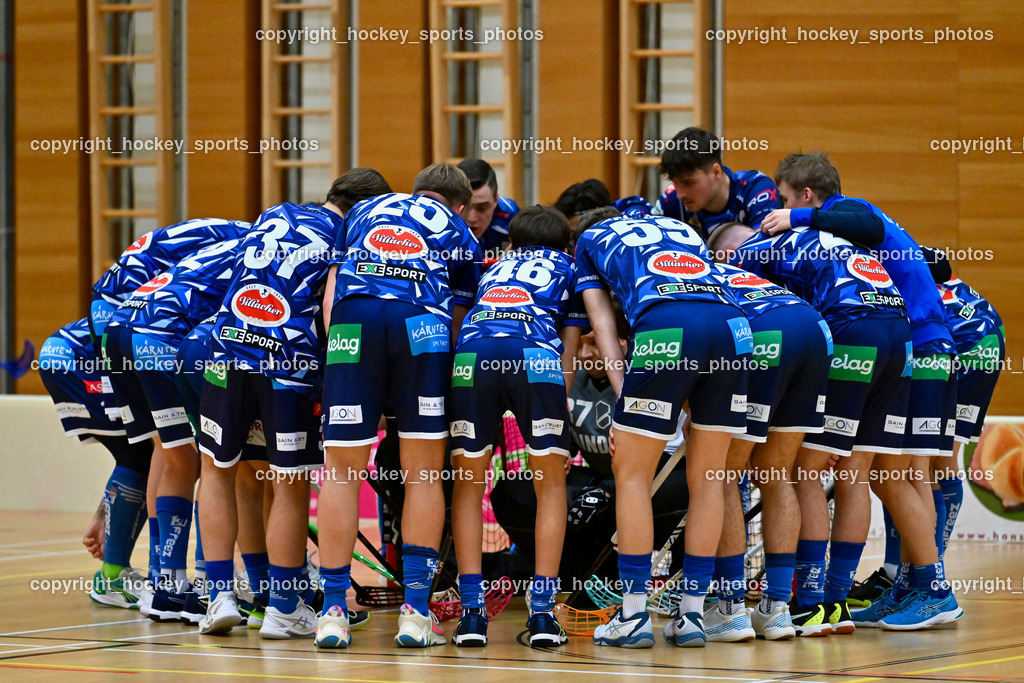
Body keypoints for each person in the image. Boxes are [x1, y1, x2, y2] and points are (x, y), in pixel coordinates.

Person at [712, 216, 961, 633]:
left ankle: (814, 603)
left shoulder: (749, 254)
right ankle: (858, 598)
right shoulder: (843, 239)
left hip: (855, 332)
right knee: (863, 475)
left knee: (803, 472)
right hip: (903, 338)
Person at [196, 168, 392, 638]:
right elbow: (331, 311)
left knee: (216, 472)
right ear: (364, 209)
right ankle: (283, 605)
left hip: (225, 353)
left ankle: (220, 596)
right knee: (289, 483)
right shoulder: (347, 239)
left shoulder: (272, 214)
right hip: (288, 367)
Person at [316, 163, 482, 649]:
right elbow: (457, 318)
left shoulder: (363, 210)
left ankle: (331, 611)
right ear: (457, 204)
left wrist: (343, 362)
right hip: (420, 325)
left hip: (352, 323)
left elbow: (331, 290)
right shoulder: (460, 231)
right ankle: (414, 612)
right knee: (423, 472)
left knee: (341, 470)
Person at [577, 207, 751, 649]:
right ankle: (692, 616)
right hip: (733, 327)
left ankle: (634, 616)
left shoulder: (588, 242)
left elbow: (603, 328)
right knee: (711, 479)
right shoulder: (677, 227)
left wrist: (622, 399)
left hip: (669, 326)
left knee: (633, 474)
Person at [446, 205, 585, 647]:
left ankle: (471, 615)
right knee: (549, 487)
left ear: (512, 243)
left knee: (467, 486)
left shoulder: (493, 265)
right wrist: (554, 409)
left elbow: (457, 322)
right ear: (566, 245)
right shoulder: (571, 267)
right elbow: (569, 350)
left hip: (472, 357)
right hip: (536, 359)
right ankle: (542, 614)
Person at [705, 257, 832, 641]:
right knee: (775, 475)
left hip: (763, 334)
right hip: (815, 329)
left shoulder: (681, 280)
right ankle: (776, 609)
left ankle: (729, 607)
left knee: (724, 475)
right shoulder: (740, 276)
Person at [38, 319, 153, 609]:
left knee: (147, 456)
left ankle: (116, 574)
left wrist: (106, 513)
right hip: (81, 359)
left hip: (77, 354)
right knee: (146, 455)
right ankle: (114, 579)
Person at [653, 127, 780, 239]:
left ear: (716, 172)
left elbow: (764, 248)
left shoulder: (756, 189)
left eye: (689, 183)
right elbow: (643, 224)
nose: (680, 194)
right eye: (675, 183)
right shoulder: (674, 199)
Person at [457, 158, 519, 257]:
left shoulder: (510, 215)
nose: (472, 218)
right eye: (464, 207)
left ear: (496, 199)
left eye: (482, 208)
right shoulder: (437, 218)